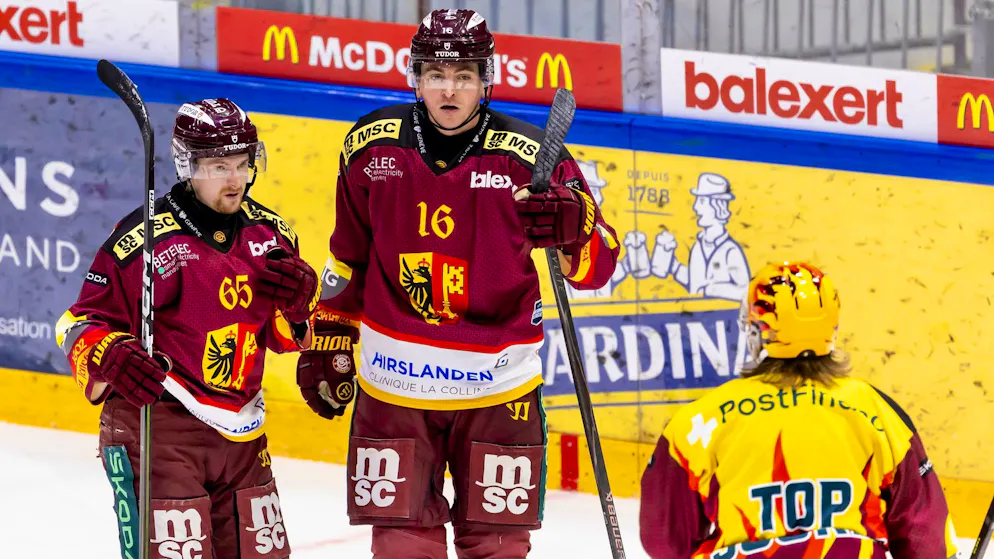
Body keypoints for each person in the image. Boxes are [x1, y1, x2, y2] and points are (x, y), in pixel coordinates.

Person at [294, 8, 620, 559]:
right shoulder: (371, 148)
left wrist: (575, 227)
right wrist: (329, 339)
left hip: (498, 390)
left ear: (486, 79)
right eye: (437, 75)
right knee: (401, 547)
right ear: (415, 77)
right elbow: (348, 258)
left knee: (497, 548)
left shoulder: (531, 158)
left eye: (464, 76)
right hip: (394, 386)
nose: (450, 90)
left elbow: (598, 267)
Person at [55, 98, 317, 559]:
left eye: (243, 163)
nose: (236, 179)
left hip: (242, 431)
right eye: (219, 166)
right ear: (188, 165)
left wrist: (297, 309)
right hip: (159, 423)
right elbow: (79, 324)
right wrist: (108, 352)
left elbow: (279, 335)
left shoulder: (271, 235)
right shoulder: (144, 240)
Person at [638, 261, 960, 558]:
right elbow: (927, 536)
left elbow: (663, 539)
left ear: (757, 331)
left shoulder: (704, 419)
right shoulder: (876, 412)